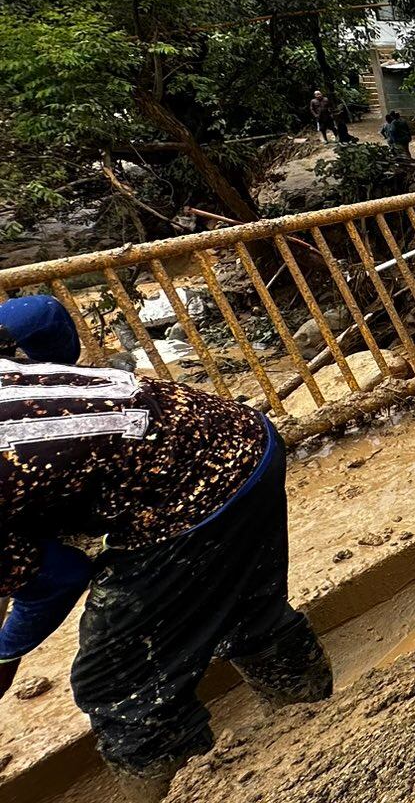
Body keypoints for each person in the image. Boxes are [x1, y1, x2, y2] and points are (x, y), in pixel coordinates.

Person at [0, 298, 331, 801]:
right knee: (244, 610)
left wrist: (6, 653)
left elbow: (58, 577)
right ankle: (320, 724)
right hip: (241, 436)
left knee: (119, 681)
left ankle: (191, 787)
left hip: (192, 491)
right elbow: (37, 313)